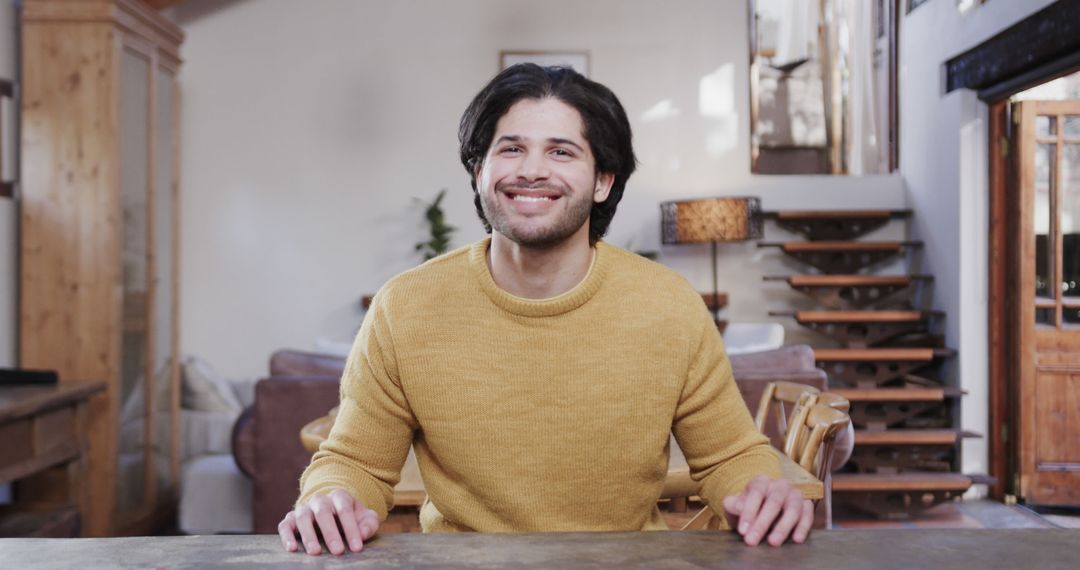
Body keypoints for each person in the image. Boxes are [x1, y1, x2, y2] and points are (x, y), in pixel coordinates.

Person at [278, 64, 814, 556]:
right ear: (479, 170)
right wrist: (331, 498)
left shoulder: (668, 305)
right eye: (510, 149)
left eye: (561, 152)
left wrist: (760, 491)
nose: (532, 171)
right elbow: (355, 463)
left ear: (603, 180)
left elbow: (728, 456)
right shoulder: (406, 306)